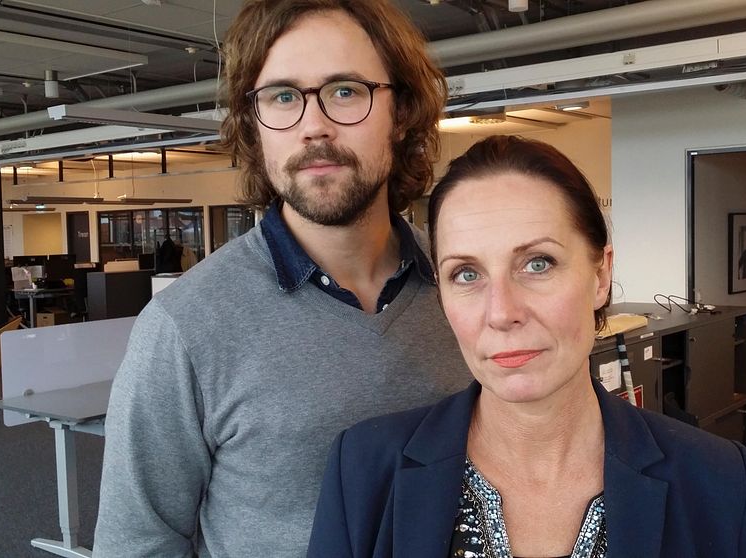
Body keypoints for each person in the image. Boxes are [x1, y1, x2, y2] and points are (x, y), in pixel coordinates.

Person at [92, 1, 469, 556]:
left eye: (345, 90)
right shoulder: (185, 328)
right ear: (255, 123)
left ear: (403, 111)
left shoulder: (467, 289)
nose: (313, 126)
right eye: (283, 96)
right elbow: (138, 544)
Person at [308, 135, 746, 558]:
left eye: (538, 264)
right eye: (466, 274)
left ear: (600, 275)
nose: (501, 312)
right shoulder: (365, 471)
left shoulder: (718, 482)